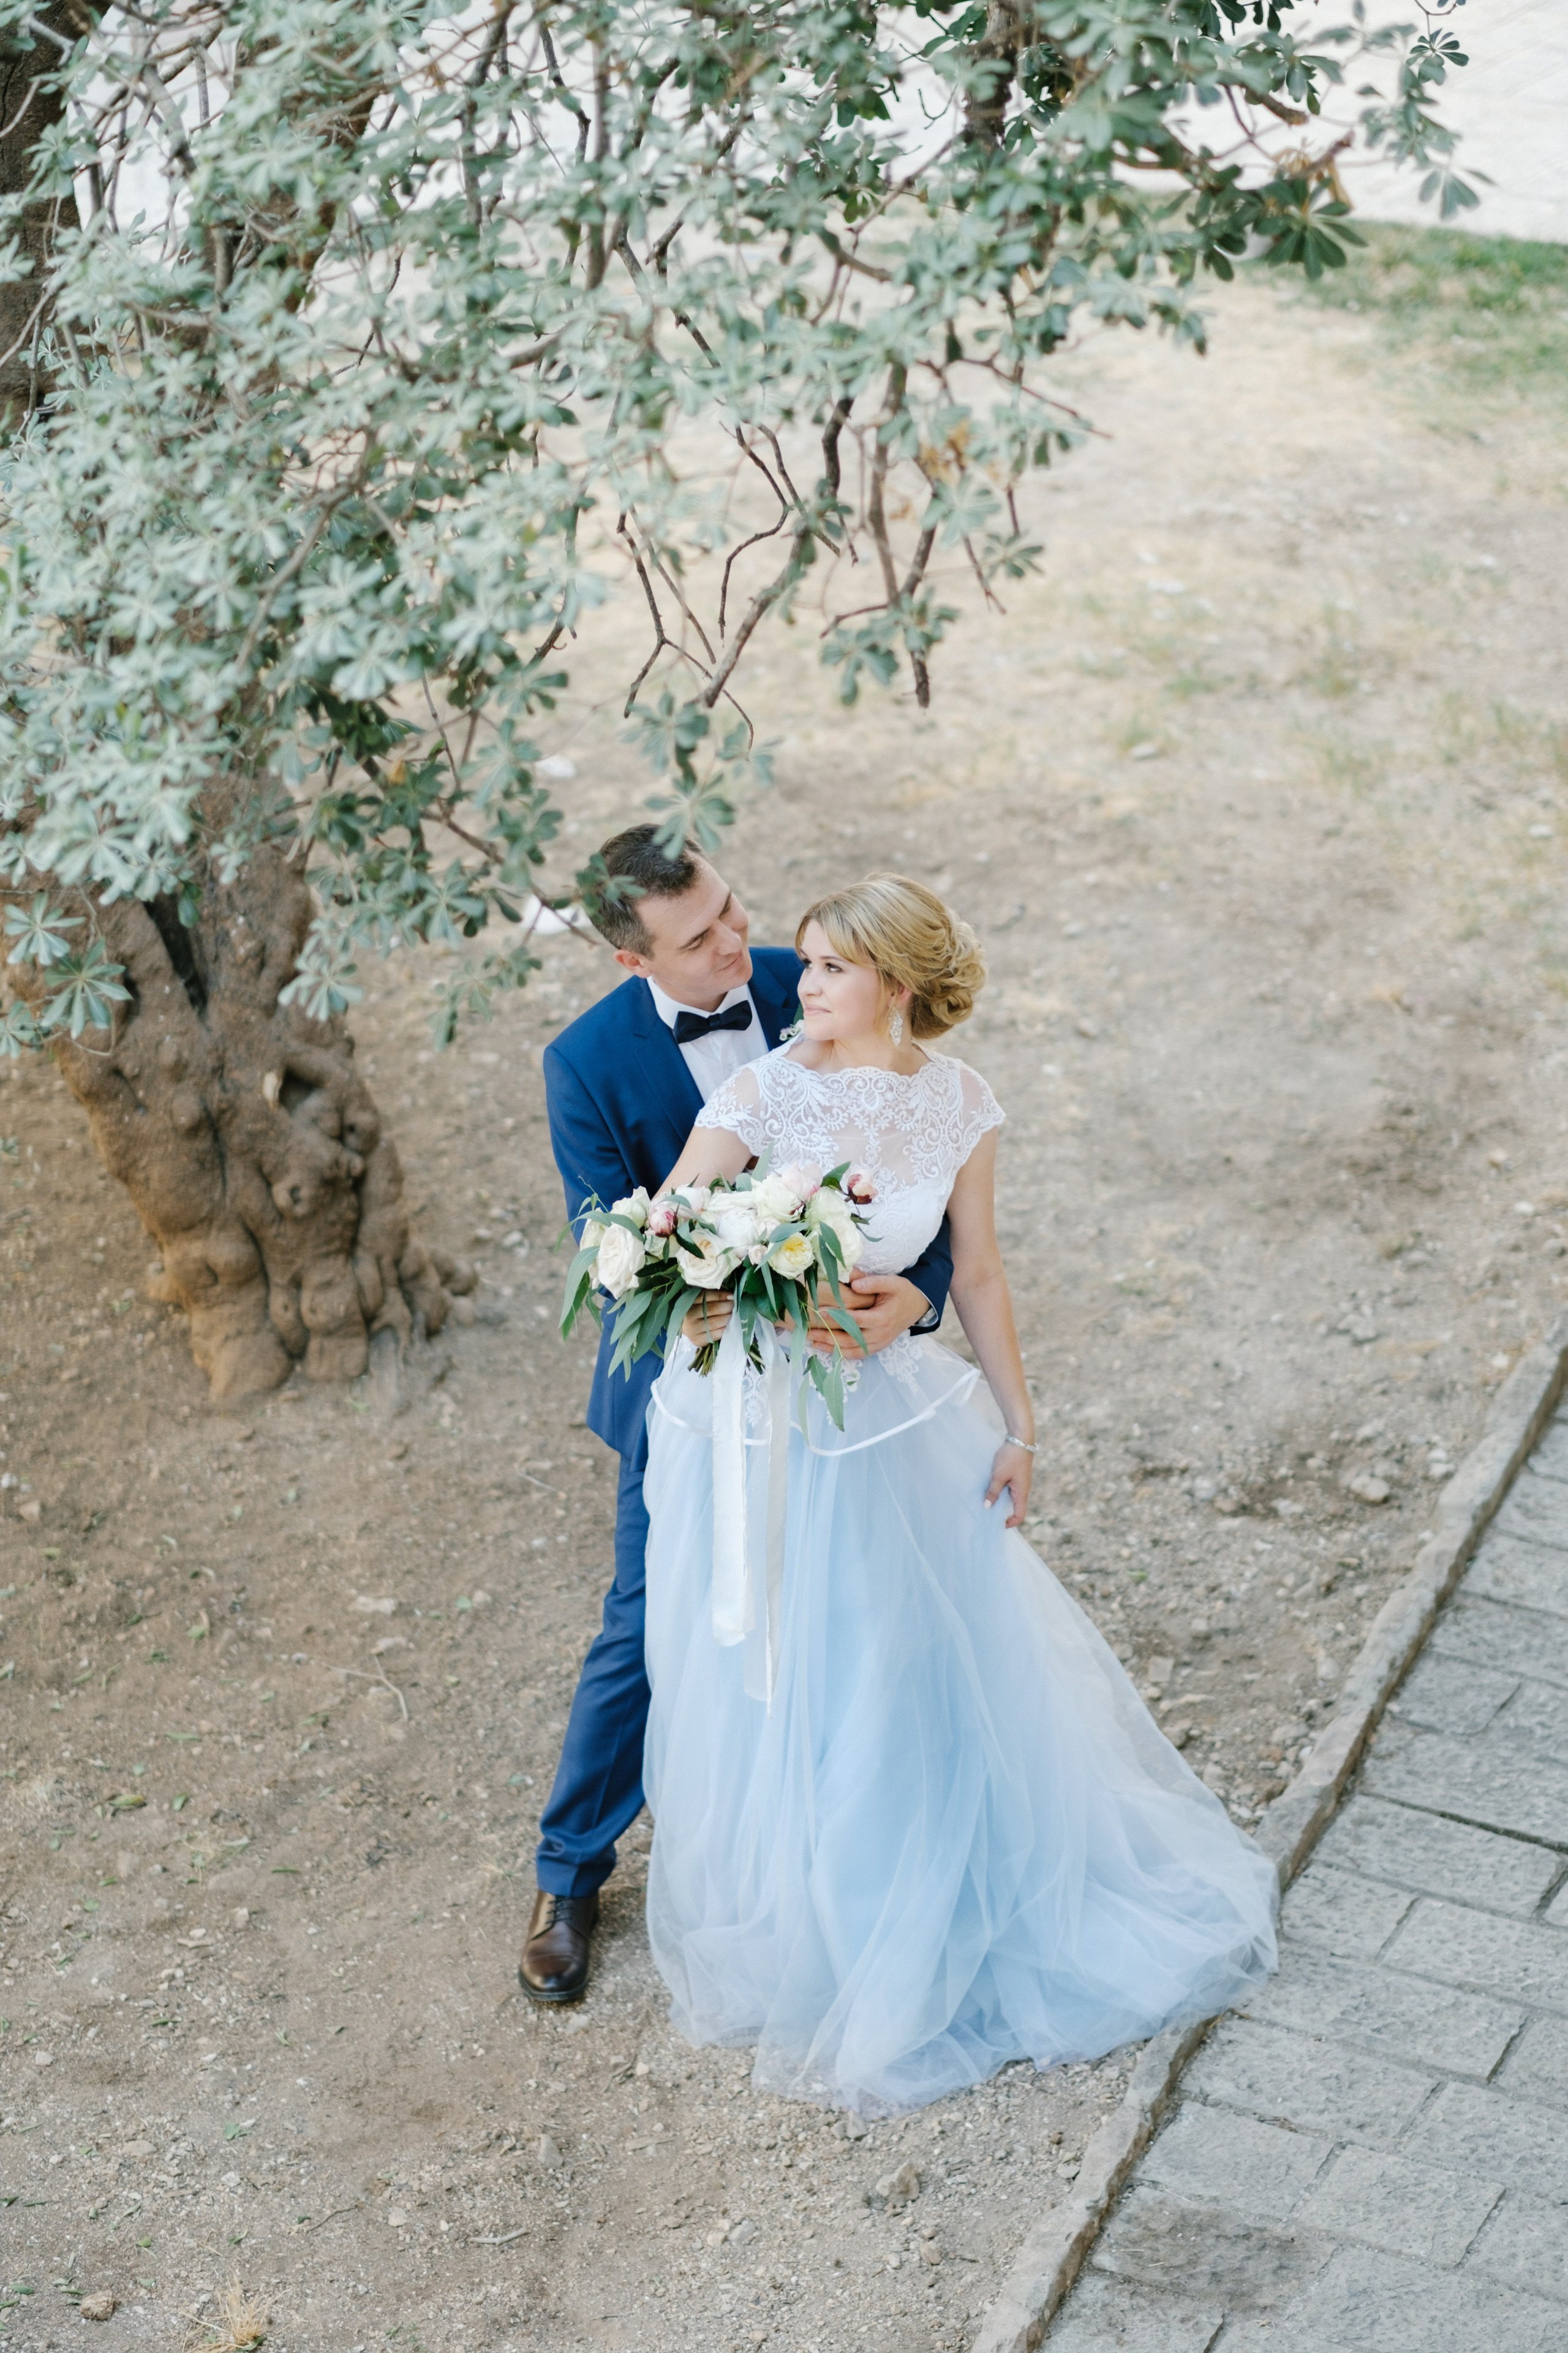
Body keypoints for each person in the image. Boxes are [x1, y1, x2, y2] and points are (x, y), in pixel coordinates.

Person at [639, 874, 1278, 2113]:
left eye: (829, 966)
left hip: (889, 1425)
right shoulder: (765, 1089)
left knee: (900, 1657)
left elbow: (975, 1272)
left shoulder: (962, 1105)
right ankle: (821, 1928)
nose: (802, 983)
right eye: (805, 962)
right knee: (803, 1663)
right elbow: (672, 1230)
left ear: (896, 983)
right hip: (771, 1424)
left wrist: (1021, 1425)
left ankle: (920, 1908)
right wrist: (735, 1290)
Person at [521, 828, 955, 2003]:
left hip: (839, 1378)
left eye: (729, 907)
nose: (735, 943)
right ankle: (569, 1873)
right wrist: (688, 1288)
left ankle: (849, 1845)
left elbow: (921, 1147)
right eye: (698, 936)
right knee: (648, 1617)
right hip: (695, 1386)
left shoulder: (810, 975)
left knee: (857, 1602)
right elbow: (608, 1250)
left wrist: (923, 1292)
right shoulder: (585, 1063)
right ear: (632, 960)